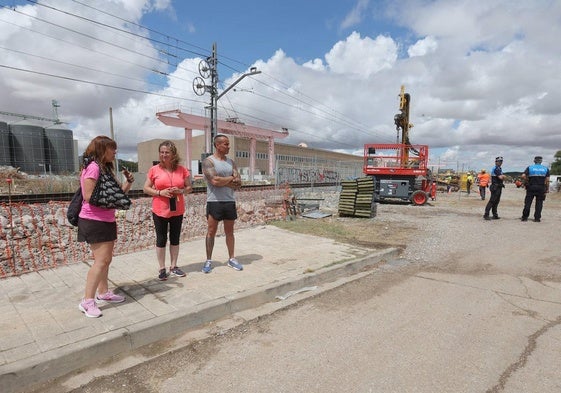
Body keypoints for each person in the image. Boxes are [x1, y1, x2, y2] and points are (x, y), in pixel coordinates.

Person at [78, 136, 134, 318]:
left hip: (106, 220)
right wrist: (110, 201)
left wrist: (128, 183)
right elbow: (88, 196)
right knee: (100, 261)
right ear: (102, 150)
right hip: (94, 220)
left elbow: (117, 195)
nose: (115, 152)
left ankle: (103, 293)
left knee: (106, 260)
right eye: (112, 149)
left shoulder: (105, 169)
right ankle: (87, 301)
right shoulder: (93, 168)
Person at [143, 140, 192, 280]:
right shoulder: (154, 170)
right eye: (162, 152)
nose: (164, 155)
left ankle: (174, 266)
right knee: (161, 238)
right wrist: (160, 193)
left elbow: (189, 188)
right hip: (160, 210)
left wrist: (181, 190)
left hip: (177, 209)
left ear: (173, 154)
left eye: (167, 152)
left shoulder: (182, 170)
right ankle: (161, 268)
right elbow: (146, 188)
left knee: (175, 238)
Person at [201, 134, 243, 273]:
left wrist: (224, 180)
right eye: (225, 144)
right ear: (217, 145)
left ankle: (231, 258)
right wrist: (231, 178)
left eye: (228, 143)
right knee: (211, 232)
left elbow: (239, 184)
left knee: (229, 232)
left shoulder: (231, 162)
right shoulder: (208, 162)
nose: (228, 146)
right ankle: (208, 260)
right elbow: (214, 181)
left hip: (229, 201)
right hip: (214, 202)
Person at [520, 156, 550, 222]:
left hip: (531, 187)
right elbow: (547, 180)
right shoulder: (545, 169)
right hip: (541, 188)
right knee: (539, 203)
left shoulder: (530, 167)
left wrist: (527, 181)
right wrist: (547, 188)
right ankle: (537, 218)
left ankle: (525, 217)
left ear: (534, 161)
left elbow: (523, 176)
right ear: (541, 161)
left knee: (528, 203)